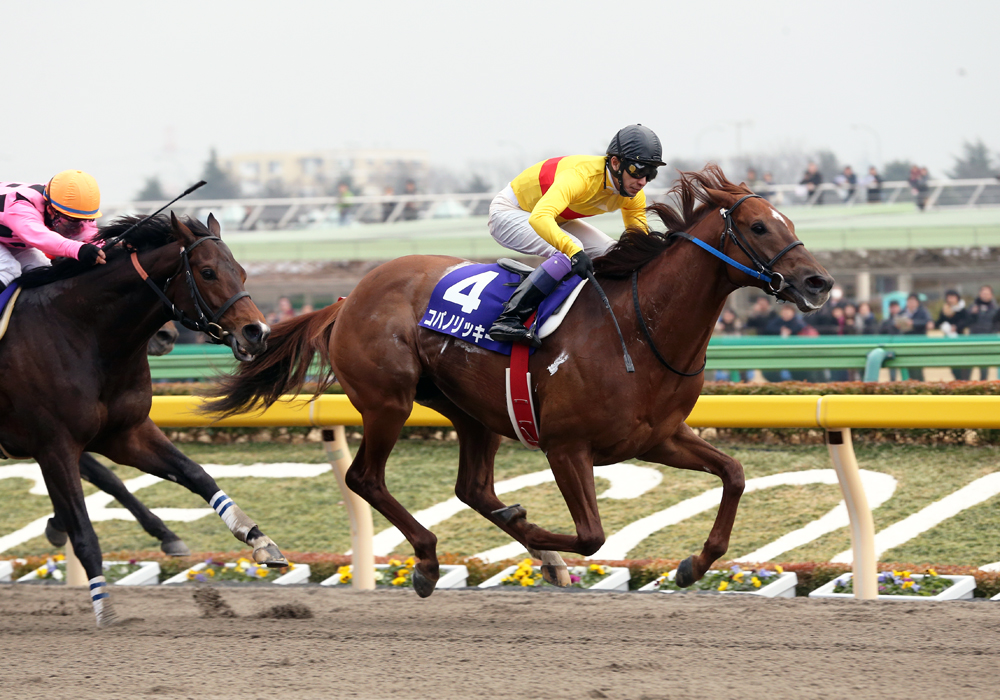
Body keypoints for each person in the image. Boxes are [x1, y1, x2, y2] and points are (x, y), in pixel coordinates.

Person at [487, 124, 664, 347]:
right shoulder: (581, 176)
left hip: (553, 216)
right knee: (572, 247)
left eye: (651, 174)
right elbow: (539, 218)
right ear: (616, 163)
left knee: (611, 251)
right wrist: (573, 251)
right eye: (638, 170)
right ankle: (509, 319)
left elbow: (637, 241)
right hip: (510, 213)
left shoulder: (633, 195)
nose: (642, 181)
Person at [0, 171, 107, 293]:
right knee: (7, 269)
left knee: (39, 268)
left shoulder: (70, 208)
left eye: (84, 220)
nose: (76, 228)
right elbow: (41, 237)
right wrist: (79, 249)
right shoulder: (20, 206)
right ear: (50, 209)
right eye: (71, 221)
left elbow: (90, 238)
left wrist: (104, 251)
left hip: (6, 239)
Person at [969, 285, 997, 379]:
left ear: (991, 295)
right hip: (973, 340)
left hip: (987, 340)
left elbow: (997, 323)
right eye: (983, 293)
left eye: (987, 293)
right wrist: (972, 314)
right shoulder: (973, 307)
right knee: (969, 365)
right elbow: (966, 321)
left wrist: (993, 332)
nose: (985, 295)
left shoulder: (996, 309)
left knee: (984, 367)